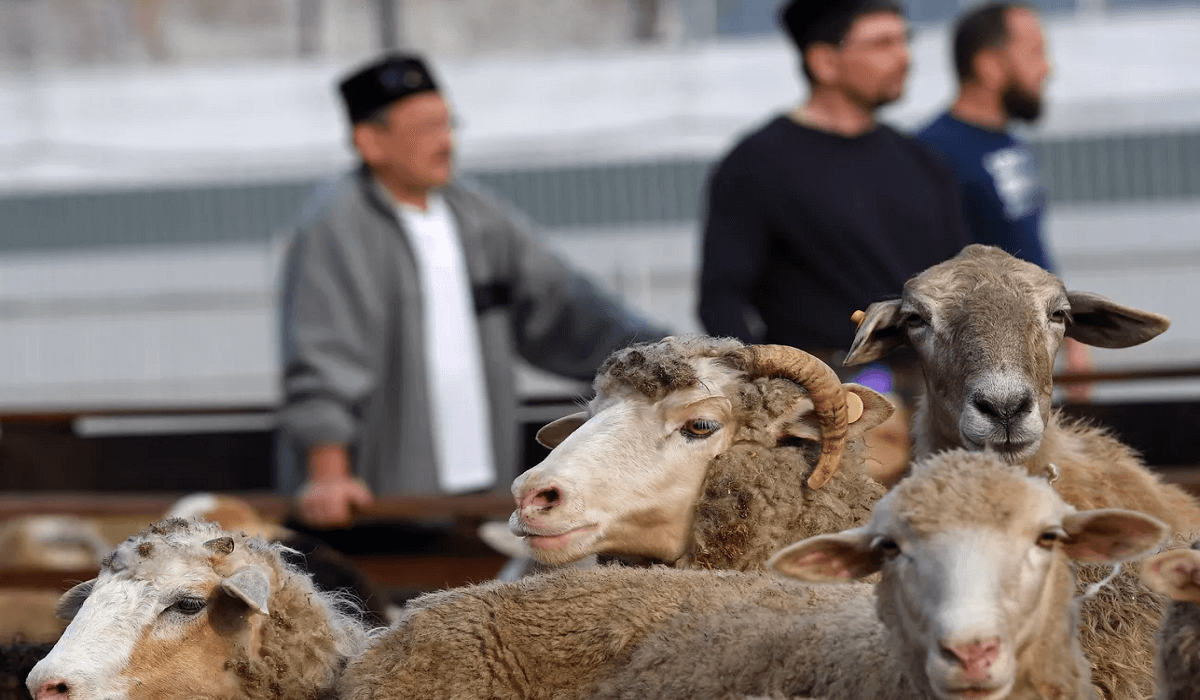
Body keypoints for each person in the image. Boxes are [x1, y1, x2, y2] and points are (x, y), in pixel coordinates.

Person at [277, 53, 666, 529]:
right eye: (425, 129)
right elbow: (323, 360)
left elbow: (565, 305)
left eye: (448, 124)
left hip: (482, 495)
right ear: (370, 141)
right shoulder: (336, 225)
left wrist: (661, 359)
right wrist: (328, 476)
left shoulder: (476, 216)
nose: (445, 142)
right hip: (379, 503)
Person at [697, 0, 970, 482]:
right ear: (824, 61)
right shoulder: (756, 165)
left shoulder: (923, 164)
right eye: (883, 43)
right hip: (822, 408)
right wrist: (780, 398)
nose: (904, 55)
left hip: (934, 401)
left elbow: (963, 283)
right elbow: (720, 298)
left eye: (905, 39)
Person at [916, 2, 1091, 396]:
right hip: (979, 378)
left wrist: (1072, 342)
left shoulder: (1010, 142)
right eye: (1034, 52)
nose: (1047, 69)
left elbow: (1030, 250)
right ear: (989, 66)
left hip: (1027, 359)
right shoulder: (932, 154)